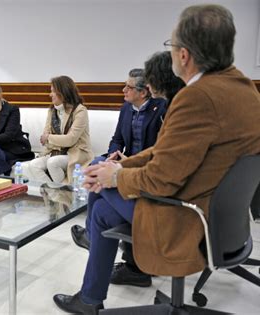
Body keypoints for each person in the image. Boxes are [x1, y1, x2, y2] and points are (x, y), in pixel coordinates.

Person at [53, 4, 260, 314]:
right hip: (227, 221)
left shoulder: (197, 97)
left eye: (171, 43)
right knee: (104, 213)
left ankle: (94, 295)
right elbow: (166, 152)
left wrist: (114, 176)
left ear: (184, 55)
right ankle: (99, 291)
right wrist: (121, 165)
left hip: (188, 219)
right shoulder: (245, 89)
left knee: (101, 191)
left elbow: (161, 179)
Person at [70, 65, 177, 287]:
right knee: (100, 167)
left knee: (99, 176)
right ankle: (122, 265)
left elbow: (160, 153)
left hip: (146, 173)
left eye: (128, 87)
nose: (123, 91)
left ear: (144, 91)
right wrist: (113, 154)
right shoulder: (126, 108)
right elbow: (117, 138)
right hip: (126, 162)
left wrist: (122, 166)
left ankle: (94, 236)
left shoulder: (163, 109)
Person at [27, 75, 93, 183]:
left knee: (53, 163)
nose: (50, 95)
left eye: (53, 91)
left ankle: (63, 197)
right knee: (34, 165)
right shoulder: (52, 110)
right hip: (56, 152)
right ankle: (53, 195)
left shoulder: (80, 110)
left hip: (76, 154)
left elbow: (70, 139)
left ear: (63, 92)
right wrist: (53, 139)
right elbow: (45, 141)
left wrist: (49, 138)